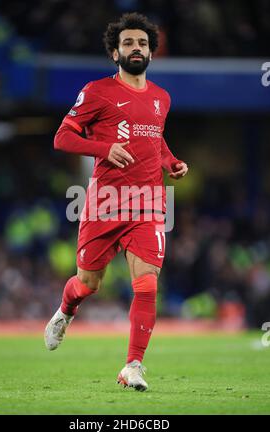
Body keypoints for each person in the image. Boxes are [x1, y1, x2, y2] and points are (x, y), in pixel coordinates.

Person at [44, 12, 188, 391]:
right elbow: (62, 138)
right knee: (88, 283)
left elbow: (154, 141)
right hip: (104, 202)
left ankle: (133, 366)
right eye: (127, 43)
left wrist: (170, 162)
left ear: (151, 53)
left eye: (142, 43)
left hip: (147, 202)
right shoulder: (97, 92)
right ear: (115, 53)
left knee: (147, 284)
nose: (135, 48)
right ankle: (65, 310)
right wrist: (105, 148)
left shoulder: (161, 98)